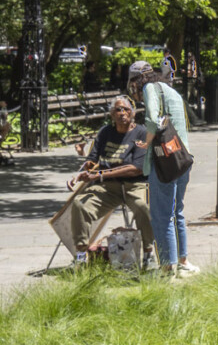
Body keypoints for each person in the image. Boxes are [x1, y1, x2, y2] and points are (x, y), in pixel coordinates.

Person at [51, 96, 152, 265]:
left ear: (133, 113)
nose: (122, 113)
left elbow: (137, 168)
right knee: (80, 204)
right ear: (112, 114)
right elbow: (91, 160)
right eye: (117, 110)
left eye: (126, 109)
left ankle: (149, 255)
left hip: (134, 185)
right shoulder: (105, 132)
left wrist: (100, 175)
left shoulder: (141, 133)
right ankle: (81, 256)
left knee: (143, 207)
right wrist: (78, 174)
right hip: (107, 188)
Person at [138, 63, 196, 276]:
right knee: (176, 211)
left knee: (161, 215)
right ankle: (183, 261)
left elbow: (153, 120)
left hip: (164, 162)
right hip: (183, 158)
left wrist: (146, 142)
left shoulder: (150, 88)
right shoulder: (170, 90)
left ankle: (167, 267)